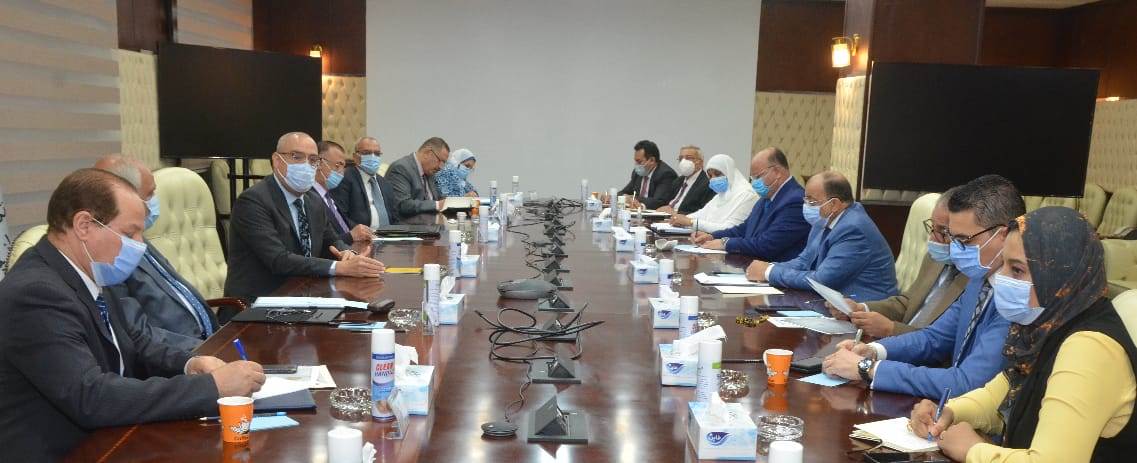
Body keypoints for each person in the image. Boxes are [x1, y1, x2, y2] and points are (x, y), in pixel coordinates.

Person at [0, 168, 265, 460]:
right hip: (67, 451)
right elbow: (91, 397)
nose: (139, 245)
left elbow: (137, 343)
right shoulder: (36, 294)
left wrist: (190, 364)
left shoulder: (93, 271)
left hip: (114, 436)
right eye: (129, 234)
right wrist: (210, 387)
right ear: (84, 225)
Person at [912, 207, 1137, 462]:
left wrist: (973, 450)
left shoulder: (1089, 348)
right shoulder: (1043, 327)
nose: (1001, 278)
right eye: (1004, 264)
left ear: (1059, 275)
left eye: (1016, 270)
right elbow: (999, 396)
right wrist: (948, 412)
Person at [821, 174, 1021, 399]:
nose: (955, 249)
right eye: (952, 238)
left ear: (1003, 235)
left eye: (964, 240)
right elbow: (934, 338)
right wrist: (873, 351)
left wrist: (868, 369)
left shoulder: (1017, 298)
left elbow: (967, 382)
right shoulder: (980, 279)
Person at [224, 132, 386, 300]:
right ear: (277, 160)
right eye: (297, 157)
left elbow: (331, 241)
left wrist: (348, 254)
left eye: (313, 160)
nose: (306, 165)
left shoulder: (313, 201)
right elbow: (279, 260)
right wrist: (340, 267)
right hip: (257, 303)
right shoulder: (253, 201)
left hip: (304, 294)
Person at [94, 156, 219, 351]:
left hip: (211, 340)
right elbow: (137, 334)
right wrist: (203, 354)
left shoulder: (136, 235)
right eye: (150, 194)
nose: (155, 200)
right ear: (126, 196)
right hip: (181, 354)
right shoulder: (110, 256)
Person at [828, 188, 969, 337]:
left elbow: (947, 342)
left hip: (917, 347)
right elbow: (907, 303)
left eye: (943, 231)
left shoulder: (976, 279)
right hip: (896, 342)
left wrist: (891, 329)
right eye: (932, 227)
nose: (932, 239)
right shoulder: (935, 257)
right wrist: (860, 308)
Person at [746, 170, 898, 302]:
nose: (806, 206)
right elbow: (804, 261)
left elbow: (822, 280)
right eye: (805, 200)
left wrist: (769, 273)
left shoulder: (854, 229)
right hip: (832, 303)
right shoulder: (824, 220)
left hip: (865, 310)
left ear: (834, 204)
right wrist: (769, 267)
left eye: (812, 201)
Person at [692, 147, 810, 261]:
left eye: (758, 177)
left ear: (777, 172)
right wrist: (713, 236)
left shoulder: (795, 201)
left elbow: (767, 245)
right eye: (752, 178)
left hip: (775, 268)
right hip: (753, 264)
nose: (754, 183)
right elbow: (744, 228)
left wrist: (725, 243)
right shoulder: (766, 197)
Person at [669, 154, 758, 233]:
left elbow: (731, 229)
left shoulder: (747, 195)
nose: (713, 179)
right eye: (710, 176)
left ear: (729, 172)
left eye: (718, 174)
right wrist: (680, 219)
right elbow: (702, 214)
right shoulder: (721, 195)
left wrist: (691, 222)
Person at [329, 136, 399, 230]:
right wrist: (362, 232)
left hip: (388, 235)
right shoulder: (344, 179)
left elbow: (395, 217)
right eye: (367, 153)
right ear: (355, 157)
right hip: (361, 235)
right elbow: (340, 216)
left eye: (377, 154)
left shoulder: (385, 183)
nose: (373, 157)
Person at [315, 140, 374, 243]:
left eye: (343, 166)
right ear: (319, 162)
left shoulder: (329, 197)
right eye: (338, 165)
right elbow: (320, 242)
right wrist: (351, 236)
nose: (341, 172)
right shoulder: (309, 198)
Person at [385, 137, 451, 218]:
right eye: (440, 161)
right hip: (407, 224)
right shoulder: (401, 168)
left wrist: (454, 203)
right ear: (427, 153)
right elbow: (403, 204)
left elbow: (440, 198)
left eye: (444, 163)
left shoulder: (430, 172)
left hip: (430, 222)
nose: (441, 167)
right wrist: (437, 205)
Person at [617, 140, 678, 210]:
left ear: (652, 160)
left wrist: (632, 198)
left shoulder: (666, 174)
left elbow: (658, 201)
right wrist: (624, 197)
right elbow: (623, 192)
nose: (636, 165)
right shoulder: (637, 173)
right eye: (635, 161)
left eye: (639, 161)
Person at [656, 145, 714, 215]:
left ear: (700, 162)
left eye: (688, 158)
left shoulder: (708, 183)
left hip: (684, 219)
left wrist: (676, 213)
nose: (683, 161)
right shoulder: (678, 181)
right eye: (681, 158)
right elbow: (665, 202)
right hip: (666, 217)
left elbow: (704, 213)